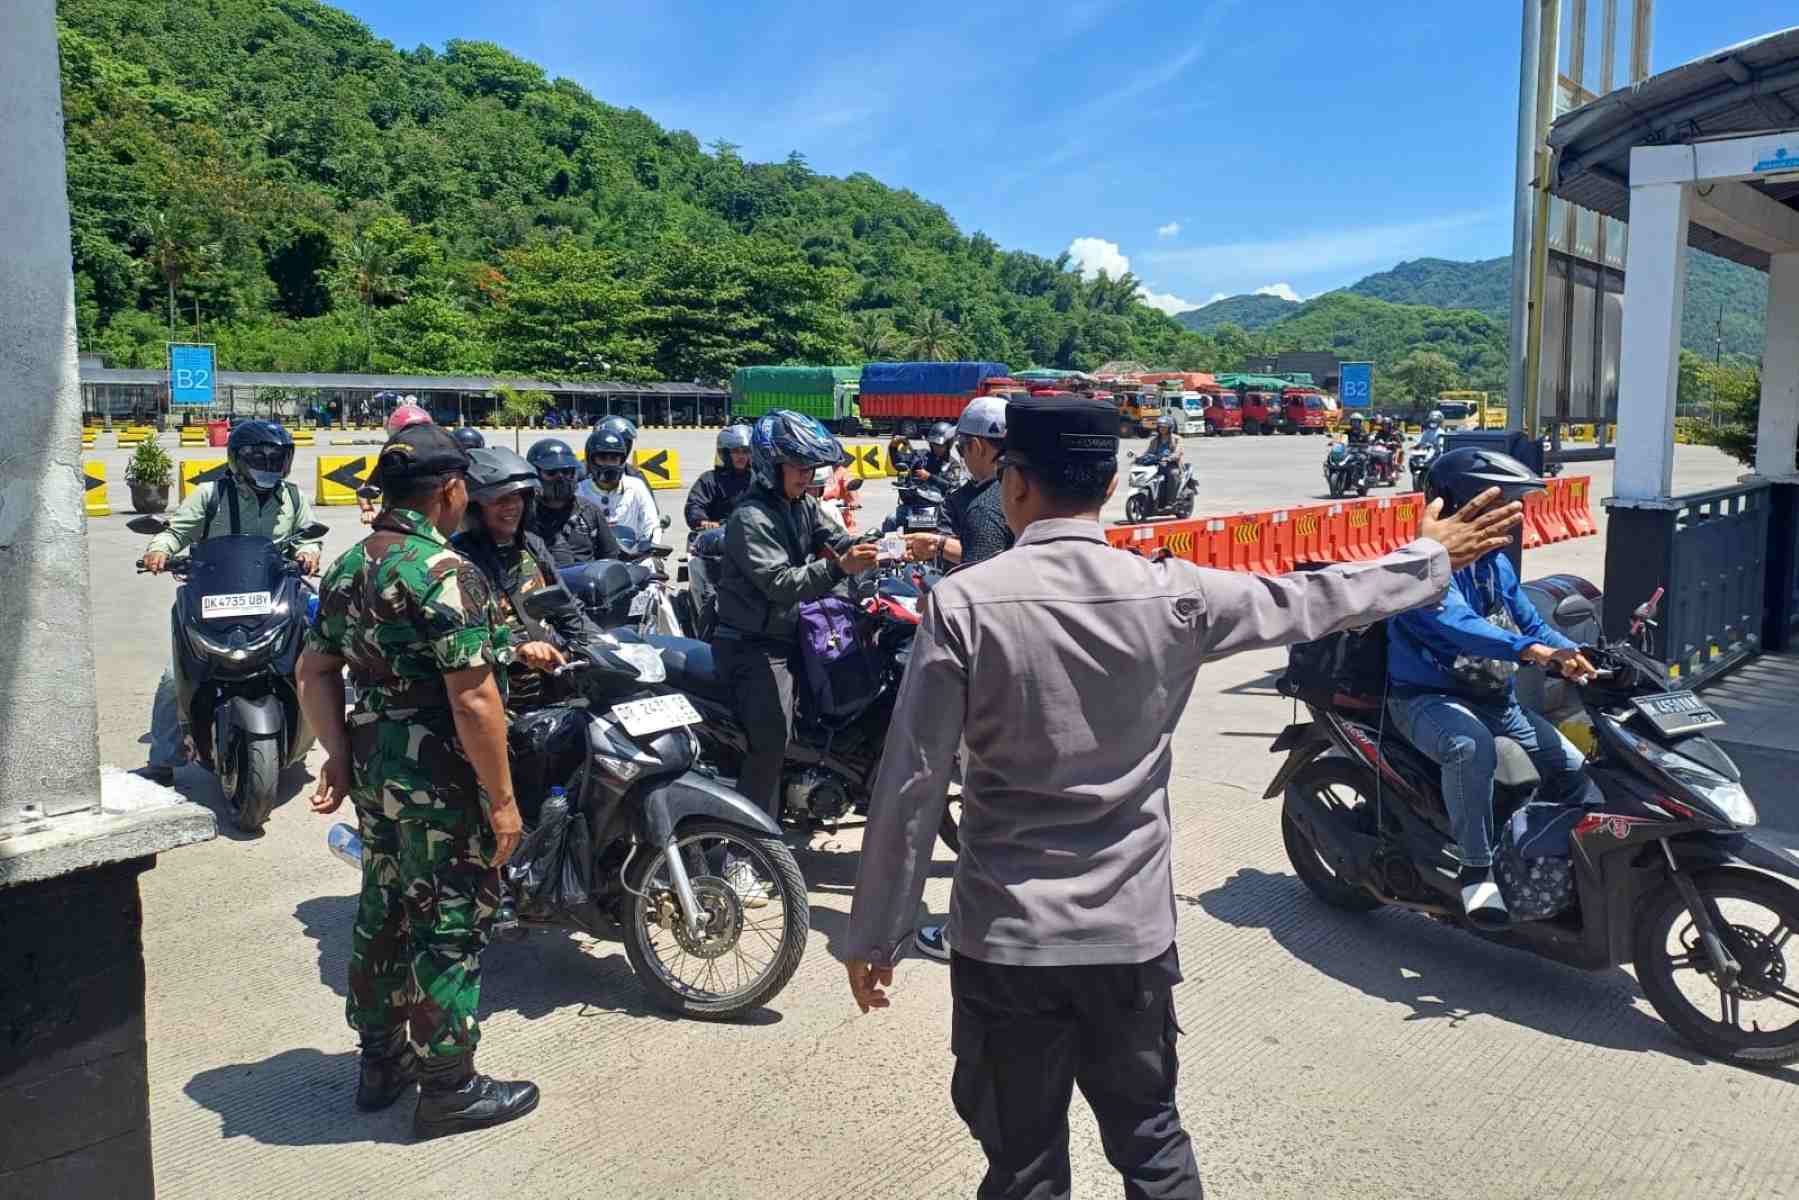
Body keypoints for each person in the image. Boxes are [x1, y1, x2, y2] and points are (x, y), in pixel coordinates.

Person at [840, 393, 1522, 1200]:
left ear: (1014, 485)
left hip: (1007, 942)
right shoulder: (1178, 594)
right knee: (1151, 1144)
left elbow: (913, 782)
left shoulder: (964, 604)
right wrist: (1426, 558)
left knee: (1020, 1165)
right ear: (1108, 482)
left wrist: (875, 933)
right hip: (1128, 939)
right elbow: (1315, 598)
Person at [295, 423, 539, 1140]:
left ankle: (381, 1062)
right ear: (451, 491)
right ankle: (450, 1086)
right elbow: (473, 699)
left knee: (385, 907)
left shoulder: (346, 567)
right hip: (439, 774)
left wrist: (338, 758)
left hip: (375, 764)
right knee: (449, 922)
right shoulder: (442, 571)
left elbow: (314, 670)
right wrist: (501, 799)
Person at [1386, 448, 1597, 926]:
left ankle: (1538, 852)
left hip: (1492, 696)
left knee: (1571, 768)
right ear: (1464, 504)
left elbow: (1530, 622)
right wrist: (1528, 651)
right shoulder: (1421, 564)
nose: (1515, 516)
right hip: (1427, 697)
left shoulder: (1494, 562)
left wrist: (1572, 653)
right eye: (1503, 504)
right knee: (1469, 747)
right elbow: (1458, 625)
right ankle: (1475, 867)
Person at [713, 411, 880, 821]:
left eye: (810, 467)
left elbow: (841, 540)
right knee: (772, 741)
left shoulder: (802, 505)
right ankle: (746, 848)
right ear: (772, 464)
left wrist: (891, 546)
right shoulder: (750, 517)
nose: (806, 475)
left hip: (790, 635)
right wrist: (841, 567)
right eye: (799, 466)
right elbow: (781, 584)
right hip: (752, 646)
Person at [136, 420, 320, 785]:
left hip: (273, 595)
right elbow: (175, 533)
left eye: (276, 458)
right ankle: (163, 758)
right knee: (175, 677)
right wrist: (158, 551)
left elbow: (307, 536)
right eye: (259, 457)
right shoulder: (210, 495)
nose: (268, 465)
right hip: (216, 595)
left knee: (314, 658)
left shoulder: (294, 498)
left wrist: (309, 552)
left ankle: (320, 733)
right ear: (237, 459)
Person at [902, 395, 1013, 963]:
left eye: (966, 448)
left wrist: (937, 547)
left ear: (978, 446)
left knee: (980, 802)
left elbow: (985, 570)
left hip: (986, 669)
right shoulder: (1011, 491)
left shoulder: (993, 502)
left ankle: (964, 929)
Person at [452, 448, 596, 711]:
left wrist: (599, 643)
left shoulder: (531, 545)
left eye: (518, 497)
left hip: (557, 688)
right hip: (502, 702)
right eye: (500, 499)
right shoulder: (459, 560)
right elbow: (466, 639)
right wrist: (520, 648)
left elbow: (567, 607)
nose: (512, 506)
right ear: (475, 507)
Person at [524, 438, 621, 567]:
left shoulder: (589, 511)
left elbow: (611, 558)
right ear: (535, 475)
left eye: (566, 472)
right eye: (551, 473)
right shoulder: (525, 515)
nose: (561, 478)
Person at [578, 424, 662, 546]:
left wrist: (653, 546)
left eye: (614, 458)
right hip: (592, 558)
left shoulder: (636, 487)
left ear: (622, 460)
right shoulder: (579, 492)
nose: (609, 464)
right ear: (591, 460)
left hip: (633, 557)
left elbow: (652, 524)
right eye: (602, 458)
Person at [357, 403, 436, 525]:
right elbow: (364, 490)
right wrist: (367, 510)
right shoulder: (393, 462)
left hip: (432, 525)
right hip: (396, 523)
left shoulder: (443, 460)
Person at [685, 424, 754, 532]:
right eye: (736, 451)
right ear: (725, 453)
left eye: (745, 451)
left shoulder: (757, 481)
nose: (741, 456)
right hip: (717, 537)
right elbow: (695, 505)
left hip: (750, 535)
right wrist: (703, 521)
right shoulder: (710, 480)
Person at [912, 420, 967, 490]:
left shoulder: (953, 464)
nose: (936, 448)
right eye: (933, 444)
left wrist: (929, 477)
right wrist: (894, 448)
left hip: (939, 499)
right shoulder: (922, 455)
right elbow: (903, 461)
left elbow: (953, 485)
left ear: (948, 444)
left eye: (939, 445)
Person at [1147, 413, 1185, 508]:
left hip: (1172, 465)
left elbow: (1178, 452)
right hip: (1157, 465)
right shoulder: (1154, 440)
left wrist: (1170, 458)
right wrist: (1139, 458)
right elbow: (1148, 452)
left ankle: (1171, 502)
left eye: (1164, 427)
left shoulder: (1176, 439)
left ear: (1170, 428)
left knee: (1173, 474)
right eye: (1160, 427)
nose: (1162, 429)